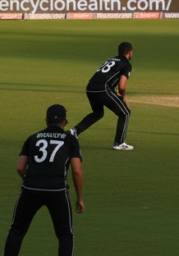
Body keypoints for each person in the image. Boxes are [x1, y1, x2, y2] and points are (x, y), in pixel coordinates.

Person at [3, 105, 84, 256]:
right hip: (57, 190)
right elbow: (77, 170)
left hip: (30, 189)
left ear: (46, 121)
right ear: (64, 122)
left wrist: (31, 180)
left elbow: (20, 168)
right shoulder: (70, 140)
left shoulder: (33, 138)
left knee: (17, 230)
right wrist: (79, 198)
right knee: (65, 234)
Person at [70, 42, 134, 150]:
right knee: (125, 113)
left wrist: (115, 93)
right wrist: (122, 98)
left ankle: (74, 131)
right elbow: (122, 86)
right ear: (129, 52)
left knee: (98, 113)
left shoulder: (111, 60)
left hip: (90, 88)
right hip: (103, 89)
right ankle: (119, 143)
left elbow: (106, 77)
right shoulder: (126, 64)